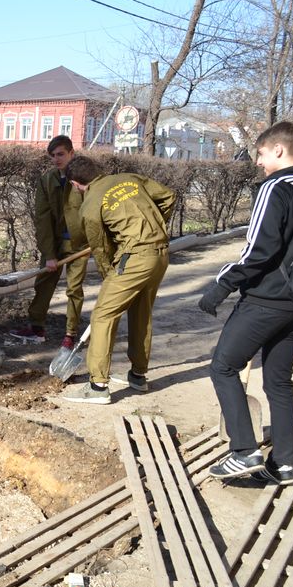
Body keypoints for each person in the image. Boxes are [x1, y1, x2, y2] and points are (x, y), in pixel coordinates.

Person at [201, 121, 293, 485]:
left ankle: (243, 450)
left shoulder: (275, 187)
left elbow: (258, 251)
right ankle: (283, 465)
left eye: (261, 155)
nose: (259, 163)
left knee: (223, 367)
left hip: (267, 298)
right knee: (279, 382)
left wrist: (221, 285)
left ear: (278, 150)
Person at [60, 156, 174, 404]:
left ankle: (98, 386)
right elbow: (168, 196)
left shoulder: (89, 207)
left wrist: (110, 277)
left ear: (75, 184)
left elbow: (101, 250)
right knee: (141, 312)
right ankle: (138, 376)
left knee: (103, 315)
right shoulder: (129, 178)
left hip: (134, 258)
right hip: (161, 254)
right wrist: (151, 226)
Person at [9, 135, 88, 350]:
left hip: (80, 245)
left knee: (74, 289)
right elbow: (42, 219)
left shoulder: (84, 178)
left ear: (72, 153)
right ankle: (36, 328)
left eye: (61, 154)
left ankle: (70, 335)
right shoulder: (47, 180)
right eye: (52, 155)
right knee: (43, 283)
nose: (56, 159)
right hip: (53, 243)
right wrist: (49, 254)